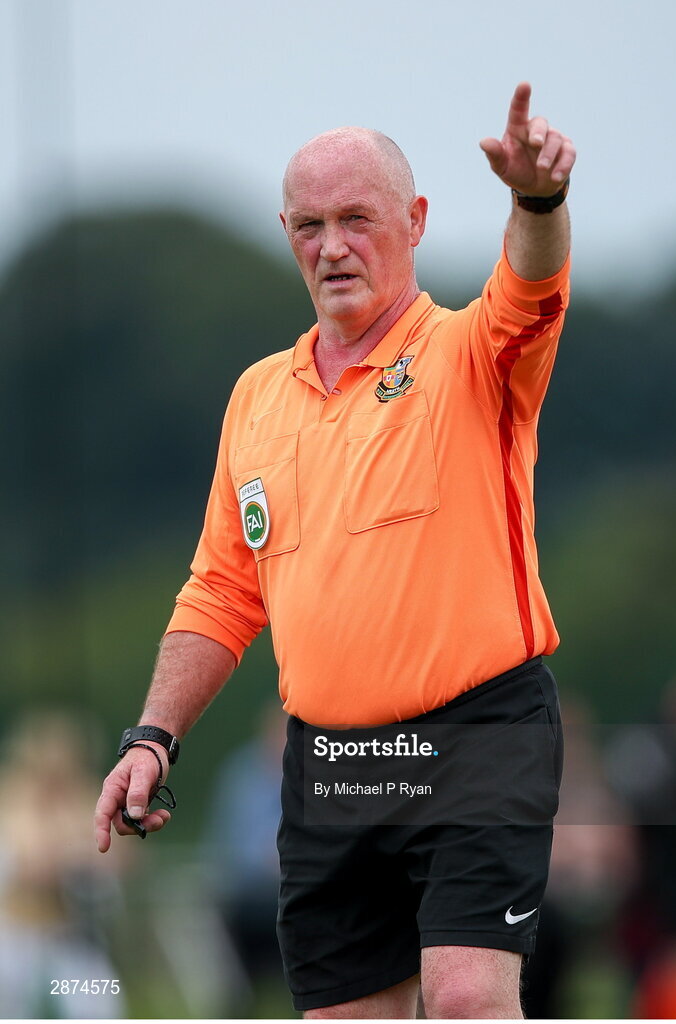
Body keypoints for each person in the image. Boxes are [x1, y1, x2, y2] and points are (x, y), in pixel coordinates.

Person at [95, 82, 576, 1018]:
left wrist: (537, 201)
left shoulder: (470, 353)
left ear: (416, 221)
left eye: (357, 219)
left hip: (478, 733)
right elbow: (221, 594)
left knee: (466, 997)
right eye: (309, 224)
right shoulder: (255, 398)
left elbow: (532, 281)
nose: (332, 246)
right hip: (332, 759)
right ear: (286, 233)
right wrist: (153, 735)